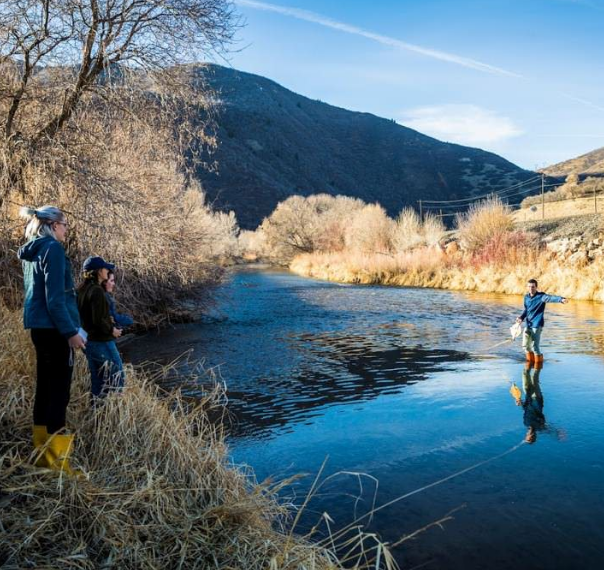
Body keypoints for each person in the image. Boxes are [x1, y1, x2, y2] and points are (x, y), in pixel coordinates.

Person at [18, 205, 86, 475]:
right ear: (54, 225)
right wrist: (71, 332)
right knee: (59, 392)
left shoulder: (32, 250)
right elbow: (56, 300)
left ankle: (42, 458)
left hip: (38, 328)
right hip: (57, 330)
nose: (66, 230)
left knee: (45, 389)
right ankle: (59, 465)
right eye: (65, 225)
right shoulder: (53, 250)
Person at [77, 257, 125, 398]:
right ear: (99, 272)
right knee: (118, 379)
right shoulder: (97, 291)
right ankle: (116, 415)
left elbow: (88, 317)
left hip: (88, 342)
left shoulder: (81, 290)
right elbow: (98, 320)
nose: (107, 271)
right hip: (101, 341)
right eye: (105, 268)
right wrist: (112, 330)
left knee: (98, 384)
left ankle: (98, 416)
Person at [516, 278, 567, 363]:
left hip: (537, 325)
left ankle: (538, 366)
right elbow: (526, 310)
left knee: (535, 347)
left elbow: (550, 298)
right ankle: (530, 363)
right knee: (525, 346)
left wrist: (561, 299)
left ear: (536, 287)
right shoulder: (526, 297)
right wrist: (521, 317)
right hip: (528, 324)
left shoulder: (541, 297)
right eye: (529, 287)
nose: (531, 289)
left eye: (532, 287)